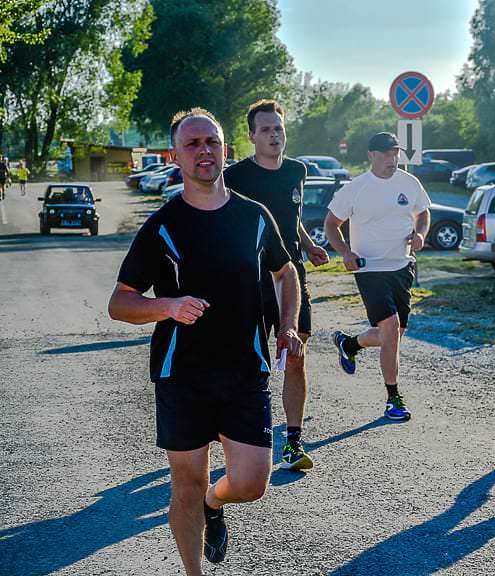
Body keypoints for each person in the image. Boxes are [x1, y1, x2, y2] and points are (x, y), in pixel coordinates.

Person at [108, 108, 303, 576]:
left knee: (253, 482)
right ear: (174, 155)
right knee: (186, 486)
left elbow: (286, 272)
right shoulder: (162, 226)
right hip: (183, 373)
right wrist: (168, 306)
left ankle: (218, 503)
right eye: (193, 144)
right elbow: (120, 302)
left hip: (245, 368)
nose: (204, 151)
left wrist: (288, 325)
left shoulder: (254, 217)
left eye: (211, 142)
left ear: (225, 150)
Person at [223, 99, 330, 471]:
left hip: (292, 277)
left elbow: (291, 216)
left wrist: (308, 243)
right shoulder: (235, 177)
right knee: (248, 364)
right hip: (249, 280)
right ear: (252, 135)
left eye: (279, 128)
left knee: (296, 357)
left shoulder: (297, 171)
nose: (274, 135)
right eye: (266, 129)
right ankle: (238, 436)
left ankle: (293, 442)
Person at [324, 132, 430, 421]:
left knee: (392, 335)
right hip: (368, 268)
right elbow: (331, 224)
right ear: (371, 155)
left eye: (395, 153)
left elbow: (423, 213)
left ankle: (350, 344)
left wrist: (420, 234)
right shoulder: (356, 188)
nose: (391, 159)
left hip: (402, 266)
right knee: (391, 327)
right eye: (385, 154)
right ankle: (393, 398)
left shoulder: (410, 183)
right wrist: (345, 252)